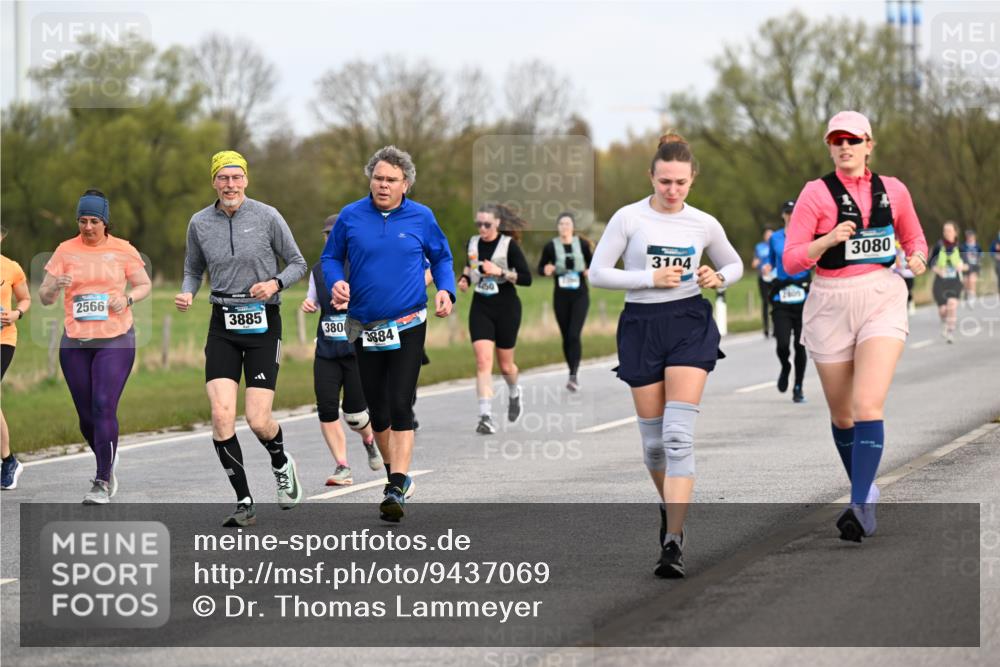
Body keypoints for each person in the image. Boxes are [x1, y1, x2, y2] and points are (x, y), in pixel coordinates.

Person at [590, 133, 743, 578]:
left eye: (680, 182)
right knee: (655, 446)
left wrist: (718, 277)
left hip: (688, 323)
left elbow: (734, 264)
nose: (672, 190)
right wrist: (647, 279)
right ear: (651, 177)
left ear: (692, 179)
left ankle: (673, 540)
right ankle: (668, 506)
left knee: (677, 436)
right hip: (641, 326)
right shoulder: (629, 218)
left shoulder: (703, 223)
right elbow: (597, 272)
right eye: (664, 182)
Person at [784, 111, 928, 542]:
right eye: (837, 141)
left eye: (853, 139)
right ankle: (866, 492)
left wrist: (918, 258)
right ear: (830, 147)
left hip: (881, 297)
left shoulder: (894, 190)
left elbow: (915, 238)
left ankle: (859, 503)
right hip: (829, 301)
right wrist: (827, 240)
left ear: (869, 144)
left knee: (867, 406)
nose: (845, 146)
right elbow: (791, 261)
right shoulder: (815, 193)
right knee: (843, 414)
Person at [322, 145, 455, 522]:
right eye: (378, 178)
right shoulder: (351, 216)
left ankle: (396, 485)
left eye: (391, 180)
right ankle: (396, 472)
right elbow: (330, 257)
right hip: (365, 325)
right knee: (377, 410)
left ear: (405, 184)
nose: (383, 185)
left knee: (400, 402)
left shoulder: (421, 217)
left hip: (408, 322)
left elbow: (442, 257)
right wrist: (336, 282)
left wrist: (445, 290)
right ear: (370, 180)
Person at [176, 150, 308, 527]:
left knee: (258, 419)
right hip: (223, 324)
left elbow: (298, 263)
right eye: (223, 178)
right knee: (221, 415)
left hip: (264, 324)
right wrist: (188, 292)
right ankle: (244, 500)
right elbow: (192, 269)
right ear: (214, 182)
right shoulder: (200, 222)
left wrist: (274, 283)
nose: (230, 184)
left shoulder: (268, 216)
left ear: (246, 180)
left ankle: (281, 462)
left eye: (236, 177)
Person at [37, 190, 152, 504]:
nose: (87, 227)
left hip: (116, 339)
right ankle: (107, 458)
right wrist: (54, 286)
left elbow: (144, 284)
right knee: (86, 417)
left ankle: (102, 480)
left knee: (103, 405)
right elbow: (44, 297)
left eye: (94, 221)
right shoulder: (65, 250)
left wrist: (127, 299)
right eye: (82, 221)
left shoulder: (123, 249)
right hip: (75, 342)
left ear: (105, 222)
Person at [301, 214, 382, 485]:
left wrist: (351, 305)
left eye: (335, 234)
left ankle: (369, 439)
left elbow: (377, 303)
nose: (330, 238)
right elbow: (312, 299)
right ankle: (342, 466)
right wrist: (309, 305)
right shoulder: (318, 270)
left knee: (355, 415)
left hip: (356, 351)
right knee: (326, 409)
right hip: (326, 351)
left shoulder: (363, 266)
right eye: (327, 235)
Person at [458, 203, 533, 434]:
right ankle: (485, 416)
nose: (482, 228)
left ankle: (514, 392)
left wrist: (500, 272)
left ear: (498, 223)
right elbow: (470, 267)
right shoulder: (472, 243)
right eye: (478, 223)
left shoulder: (509, 245)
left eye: (487, 224)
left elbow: (527, 279)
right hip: (481, 307)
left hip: (507, 308)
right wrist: (464, 279)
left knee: (506, 366)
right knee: (483, 361)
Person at [538, 211, 593, 392]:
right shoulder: (550, 247)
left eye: (567, 224)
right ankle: (571, 371)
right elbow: (540, 268)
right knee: (566, 336)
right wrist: (546, 269)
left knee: (574, 335)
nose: (564, 227)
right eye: (561, 224)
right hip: (561, 296)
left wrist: (589, 271)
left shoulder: (582, 245)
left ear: (573, 227)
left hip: (580, 295)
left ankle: (573, 375)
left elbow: (594, 265)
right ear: (557, 227)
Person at [767, 200, 810, 403]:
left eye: (795, 212)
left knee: (800, 345)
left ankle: (798, 387)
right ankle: (785, 366)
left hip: (803, 297)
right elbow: (770, 262)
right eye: (788, 213)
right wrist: (767, 269)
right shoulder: (775, 238)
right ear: (783, 215)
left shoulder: (807, 235)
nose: (791, 216)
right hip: (781, 297)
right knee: (783, 343)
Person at [1, 226, 31, 490]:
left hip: (3, 339)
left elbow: (25, 299)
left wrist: (16, 314)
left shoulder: (11, 268)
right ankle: (8, 460)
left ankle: (9, 462)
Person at [929, 221, 966, 344]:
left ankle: (950, 331)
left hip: (955, 281)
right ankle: (945, 323)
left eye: (949, 230)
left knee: (952, 305)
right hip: (940, 281)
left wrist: (962, 266)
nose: (947, 233)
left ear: (955, 232)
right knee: (943, 310)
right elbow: (930, 263)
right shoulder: (938, 246)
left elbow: (969, 265)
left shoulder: (960, 248)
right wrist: (938, 270)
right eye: (945, 230)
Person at [751, 227, 775, 337]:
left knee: (775, 301)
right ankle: (766, 328)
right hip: (763, 277)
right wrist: (756, 263)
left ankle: (776, 327)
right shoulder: (759, 247)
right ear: (764, 236)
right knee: (765, 302)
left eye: (771, 235)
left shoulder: (776, 245)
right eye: (767, 235)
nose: (769, 237)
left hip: (774, 277)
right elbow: (754, 263)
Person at [959, 228, 982, 306]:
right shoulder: (963, 246)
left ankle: (972, 297)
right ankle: (967, 294)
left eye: (971, 236)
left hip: (975, 266)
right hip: (966, 266)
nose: (969, 238)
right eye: (968, 236)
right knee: (966, 282)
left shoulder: (977, 246)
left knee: (972, 280)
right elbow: (960, 256)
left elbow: (980, 256)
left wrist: (979, 261)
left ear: (974, 237)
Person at [892, 240, 916, 315]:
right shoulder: (896, 249)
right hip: (899, 273)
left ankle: (911, 304)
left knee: (908, 290)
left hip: (908, 273)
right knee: (900, 291)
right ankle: (902, 307)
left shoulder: (909, 249)